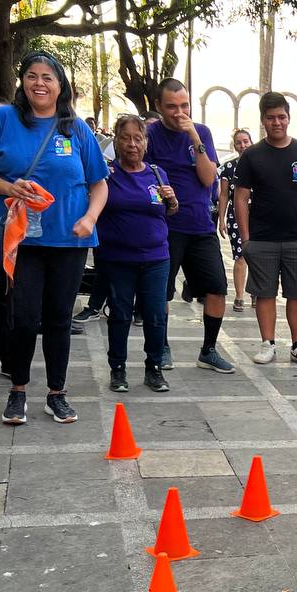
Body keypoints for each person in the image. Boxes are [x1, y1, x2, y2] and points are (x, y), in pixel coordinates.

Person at [0, 50, 109, 426]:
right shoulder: (2, 119)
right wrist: (9, 188)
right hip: (22, 240)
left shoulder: (76, 128)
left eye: (47, 77)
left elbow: (99, 184)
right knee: (24, 317)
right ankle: (18, 390)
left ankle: (57, 393)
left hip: (69, 240)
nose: (39, 83)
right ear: (22, 82)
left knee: (59, 318)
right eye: (32, 76)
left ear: (60, 84)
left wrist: (90, 217)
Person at [145, 78, 235, 374]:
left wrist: (194, 137)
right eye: (171, 106)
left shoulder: (202, 133)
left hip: (200, 226)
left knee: (217, 288)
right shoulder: (151, 135)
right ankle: (162, 347)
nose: (178, 112)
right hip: (164, 228)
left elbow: (209, 178)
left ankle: (209, 350)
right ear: (158, 106)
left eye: (184, 105)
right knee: (162, 292)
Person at [234, 91, 297, 368]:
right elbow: (240, 197)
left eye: (282, 117)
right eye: (271, 118)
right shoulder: (251, 156)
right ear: (263, 120)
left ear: (289, 118)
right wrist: (246, 239)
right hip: (261, 239)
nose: (277, 122)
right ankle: (268, 343)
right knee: (265, 293)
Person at [97, 115, 178, 393]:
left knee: (156, 315)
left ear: (146, 142)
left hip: (156, 258)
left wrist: (173, 201)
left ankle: (154, 368)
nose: (132, 144)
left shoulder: (157, 173)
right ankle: (117, 368)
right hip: (118, 259)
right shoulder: (107, 173)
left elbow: (168, 211)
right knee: (120, 314)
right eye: (125, 137)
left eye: (138, 138)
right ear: (116, 142)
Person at [217, 127, 254, 313]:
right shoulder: (228, 168)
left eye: (245, 141)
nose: (243, 145)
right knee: (241, 256)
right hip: (237, 217)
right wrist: (221, 219)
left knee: (260, 256)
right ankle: (240, 296)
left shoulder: (261, 164)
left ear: (251, 142)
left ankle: (257, 292)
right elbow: (224, 195)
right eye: (239, 142)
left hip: (260, 217)